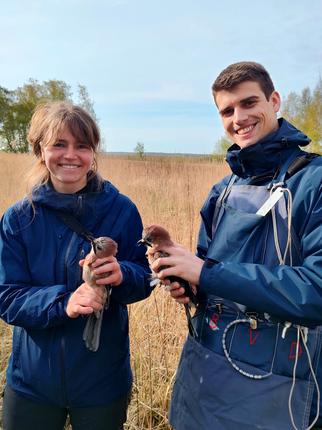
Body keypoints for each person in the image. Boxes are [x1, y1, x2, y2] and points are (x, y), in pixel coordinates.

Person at [151, 62, 322, 429]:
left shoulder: (314, 182)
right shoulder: (222, 191)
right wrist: (185, 278)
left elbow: (316, 291)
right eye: (227, 111)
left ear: (274, 101)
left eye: (249, 103)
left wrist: (206, 272)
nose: (238, 118)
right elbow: (209, 283)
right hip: (207, 375)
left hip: (282, 387)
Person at [0, 101, 151, 430]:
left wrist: (124, 273)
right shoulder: (18, 219)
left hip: (103, 381)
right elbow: (6, 296)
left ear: (93, 152)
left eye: (82, 146)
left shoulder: (122, 210)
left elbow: (145, 278)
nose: (71, 155)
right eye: (59, 144)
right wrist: (63, 302)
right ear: (40, 149)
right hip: (32, 382)